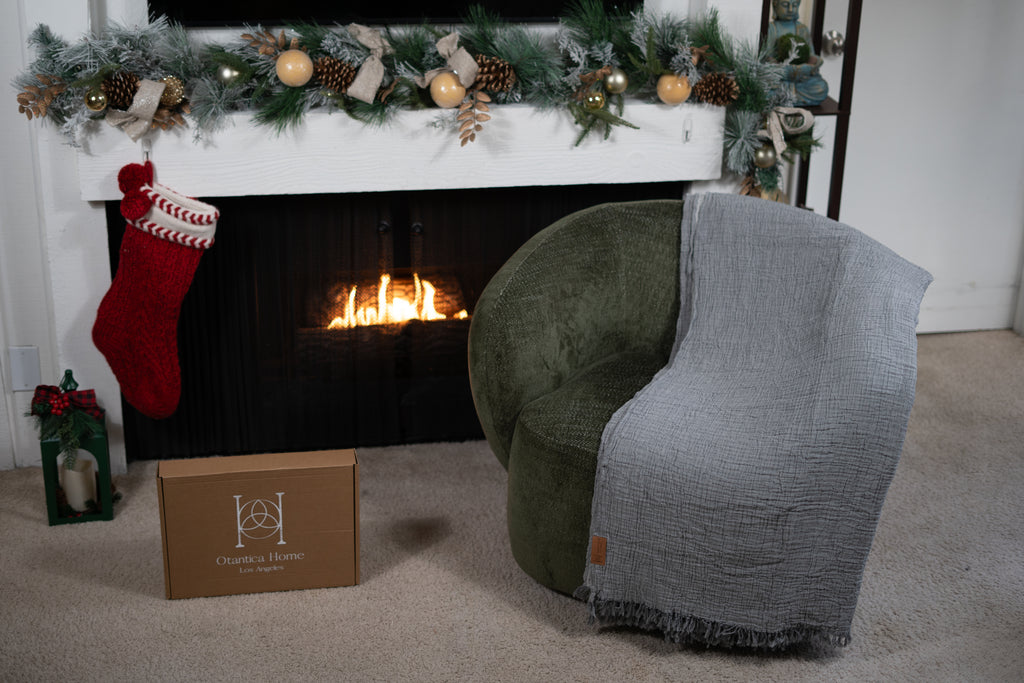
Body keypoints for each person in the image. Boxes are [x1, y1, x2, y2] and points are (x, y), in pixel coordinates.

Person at [766, 0, 829, 106]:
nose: (790, 9)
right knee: (763, 89)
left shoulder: (802, 29)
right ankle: (788, 95)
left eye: (794, 5)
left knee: (821, 87)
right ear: (775, 5)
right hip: (779, 77)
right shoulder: (771, 28)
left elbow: (810, 56)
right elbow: (766, 58)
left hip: (800, 78)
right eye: (785, 5)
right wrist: (777, 65)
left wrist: (815, 61)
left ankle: (785, 96)